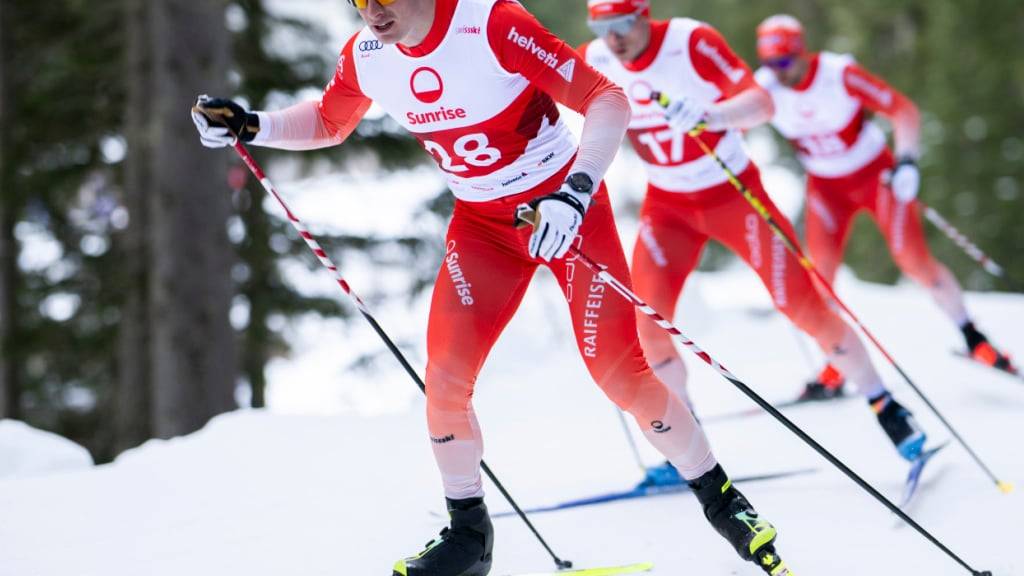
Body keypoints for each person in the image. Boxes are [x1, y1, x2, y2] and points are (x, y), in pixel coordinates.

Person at [191, 1, 788, 574]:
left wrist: (576, 192)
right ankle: (469, 538)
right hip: (482, 226)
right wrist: (250, 125)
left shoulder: (491, 23)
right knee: (445, 378)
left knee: (618, 372)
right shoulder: (367, 53)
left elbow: (606, 99)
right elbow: (329, 120)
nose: (372, 10)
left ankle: (723, 501)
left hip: (562, 210)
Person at [580, 0, 931, 476]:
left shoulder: (689, 41)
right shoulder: (595, 56)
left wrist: (711, 114)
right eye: (601, 27)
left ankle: (888, 408)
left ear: (643, 14)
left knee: (803, 306)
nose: (614, 38)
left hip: (732, 195)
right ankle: (686, 444)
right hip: (668, 208)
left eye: (623, 24)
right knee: (648, 324)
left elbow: (760, 103)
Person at [754, 14, 1017, 388]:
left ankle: (975, 339)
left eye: (784, 62)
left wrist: (907, 161)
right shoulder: (764, 88)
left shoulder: (838, 74)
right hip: (825, 187)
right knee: (821, 275)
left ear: (801, 53)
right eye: (770, 63)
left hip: (874, 175)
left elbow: (903, 109)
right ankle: (837, 362)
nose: (778, 72)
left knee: (914, 261)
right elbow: (731, 119)